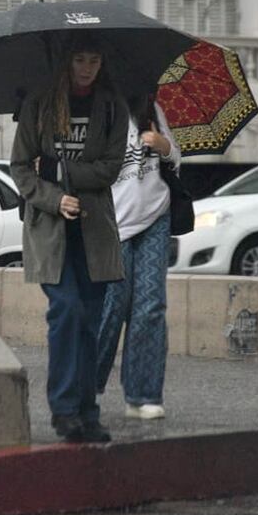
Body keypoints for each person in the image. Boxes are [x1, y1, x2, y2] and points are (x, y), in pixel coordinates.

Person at [10, 36, 128, 443]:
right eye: (79, 59)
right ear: (66, 62)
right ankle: (63, 409)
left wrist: (61, 170)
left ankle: (87, 411)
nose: (87, 67)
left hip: (94, 229)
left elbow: (111, 169)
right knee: (67, 310)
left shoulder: (113, 106)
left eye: (94, 59)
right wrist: (55, 197)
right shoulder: (38, 105)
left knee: (91, 320)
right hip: (50, 229)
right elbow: (22, 170)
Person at [96, 94, 180, 420]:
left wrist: (164, 146)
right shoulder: (101, 112)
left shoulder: (153, 109)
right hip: (112, 221)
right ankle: (87, 386)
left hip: (155, 217)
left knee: (151, 306)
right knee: (110, 306)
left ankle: (142, 394)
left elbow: (177, 159)